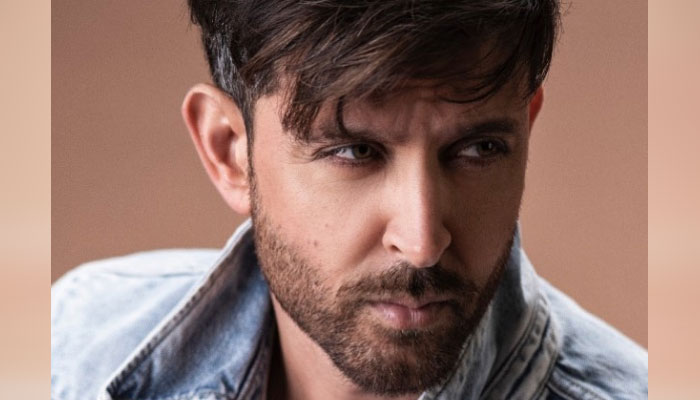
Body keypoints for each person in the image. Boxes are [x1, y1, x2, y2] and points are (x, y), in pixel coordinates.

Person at [51, 1, 648, 399]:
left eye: (479, 148)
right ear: (229, 150)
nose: (422, 242)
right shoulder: (73, 347)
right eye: (355, 152)